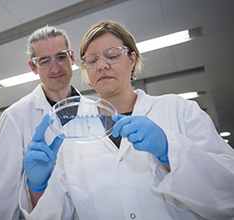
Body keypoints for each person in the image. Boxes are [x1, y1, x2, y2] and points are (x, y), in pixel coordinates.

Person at [19, 21, 234, 219]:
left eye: (112, 55)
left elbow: (228, 191)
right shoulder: (72, 136)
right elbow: (57, 215)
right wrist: (37, 188)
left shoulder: (179, 110)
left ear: (132, 59)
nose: (102, 66)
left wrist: (169, 151)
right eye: (92, 60)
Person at [0, 25, 79, 219]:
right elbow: (1, 197)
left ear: (72, 57)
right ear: (33, 67)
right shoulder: (15, 117)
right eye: (44, 61)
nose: (55, 67)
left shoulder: (95, 110)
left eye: (61, 57)